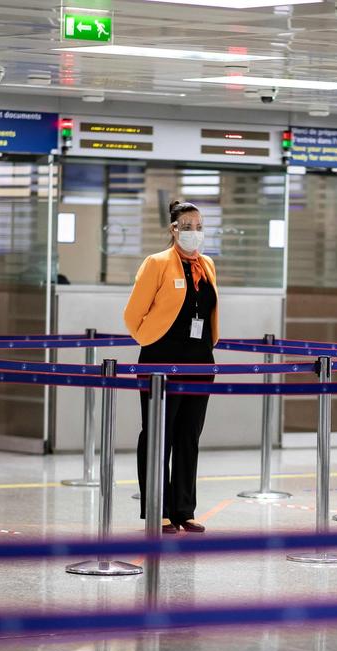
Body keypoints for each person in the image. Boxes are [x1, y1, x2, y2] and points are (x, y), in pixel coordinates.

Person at [123, 200, 218, 534]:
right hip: (161, 362)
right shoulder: (157, 263)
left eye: (199, 227)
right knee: (157, 435)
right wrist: (152, 341)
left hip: (200, 362)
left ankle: (183, 509)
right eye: (187, 227)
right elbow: (133, 315)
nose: (195, 233)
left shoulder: (206, 265)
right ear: (173, 229)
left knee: (188, 436)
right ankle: (157, 510)